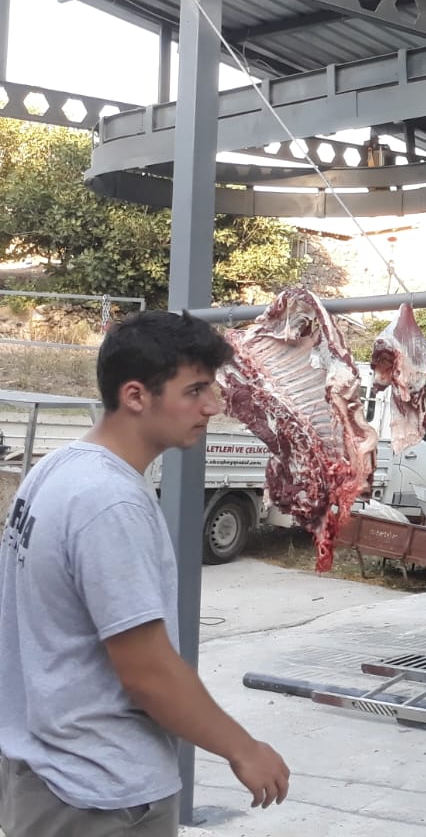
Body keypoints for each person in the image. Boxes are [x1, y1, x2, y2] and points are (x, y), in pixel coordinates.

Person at [0, 310, 290, 836]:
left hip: (47, 774)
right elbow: (147, 672)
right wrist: (242, 748)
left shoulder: (59, 467)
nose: (212, 405)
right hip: (100, 794)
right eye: (195, 390)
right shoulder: (110, 502)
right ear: (135, 395)